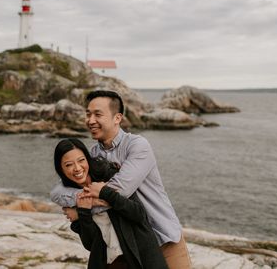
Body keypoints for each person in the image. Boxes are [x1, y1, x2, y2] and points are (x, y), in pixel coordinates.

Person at [51, 90, 192, 269]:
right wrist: (85, 200)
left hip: (163, 235)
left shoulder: (137, 146)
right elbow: (57, 192)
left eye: (98, 114)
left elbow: (119, 191)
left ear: (117, 118)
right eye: (88, 114)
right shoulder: (94, 154)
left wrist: (82, 210)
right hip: (131, 242)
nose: (90, 120)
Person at [54, 138, 168, 269]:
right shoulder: (70, 197)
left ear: (87, 159)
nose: (77, 168)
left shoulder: (110, 177)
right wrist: (84, 212)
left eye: (81, 160)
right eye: (68, 165)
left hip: (140, 259)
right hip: (109, 264)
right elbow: (90, 244)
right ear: (60, 169)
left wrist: (105, 193)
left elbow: (139, 214)